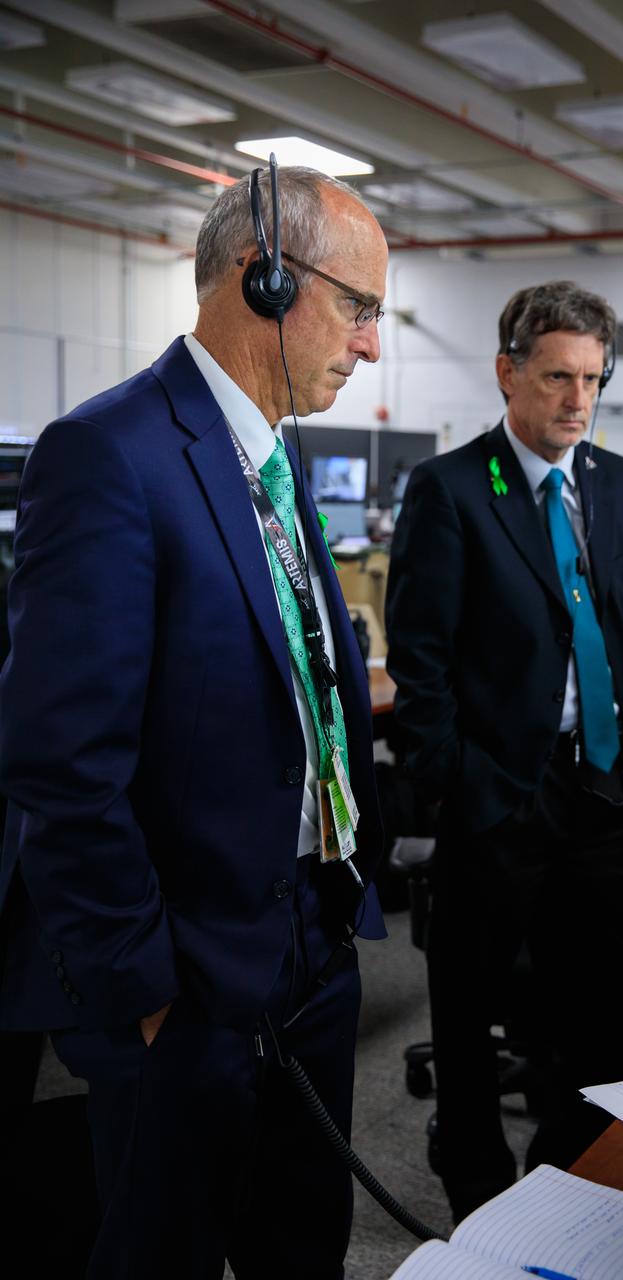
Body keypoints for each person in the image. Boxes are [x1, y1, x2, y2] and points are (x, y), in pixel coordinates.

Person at [0, 161, 388, 1279]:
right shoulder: (108, 453)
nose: (371, 346)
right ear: (266, 278)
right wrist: (143, 988)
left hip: (311, 944)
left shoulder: (272, 450)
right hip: (186, 976)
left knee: (300, 1248)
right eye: (358, 307)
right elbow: (62, 761)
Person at [385, 280, 623, 1222]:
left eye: (592, 379)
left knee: (612, 995)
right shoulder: (453, 488)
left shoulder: (619, 485)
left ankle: (565, 1175)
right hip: (499, 790)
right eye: (556, 378)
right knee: (470, 1006)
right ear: (507, 373)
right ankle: (475, 1187)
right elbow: (419, 663)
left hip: (604, 787)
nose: (577, 401)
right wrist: (458, 785)